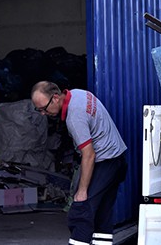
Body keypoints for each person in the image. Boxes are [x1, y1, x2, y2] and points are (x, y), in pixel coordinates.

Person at [31, 81, 127, 245]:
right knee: (102, 215)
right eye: (38, 110)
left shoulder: (74, 117)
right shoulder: (78, 94)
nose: (42, 114)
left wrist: (81, 191)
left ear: (55, 98)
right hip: (117, 159)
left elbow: (89, 154)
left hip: (105, 162)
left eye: (43, 108)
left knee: (80, 211)